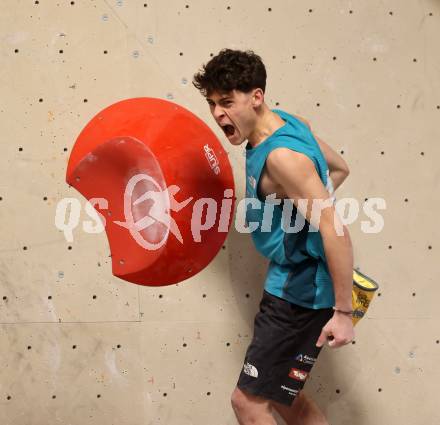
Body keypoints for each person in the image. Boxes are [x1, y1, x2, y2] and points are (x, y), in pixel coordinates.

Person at [193, 48, 355, 425]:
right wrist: (291, 208)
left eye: (227, 102)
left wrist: (344, 313)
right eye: (213, 103)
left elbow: (335, 229)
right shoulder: (287, 122)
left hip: (302, 291)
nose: (218, 114)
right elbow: (339, 168)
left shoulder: (283, 158)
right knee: (284, 399)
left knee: (247, 403)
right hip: (290, 280)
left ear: (257, 97)